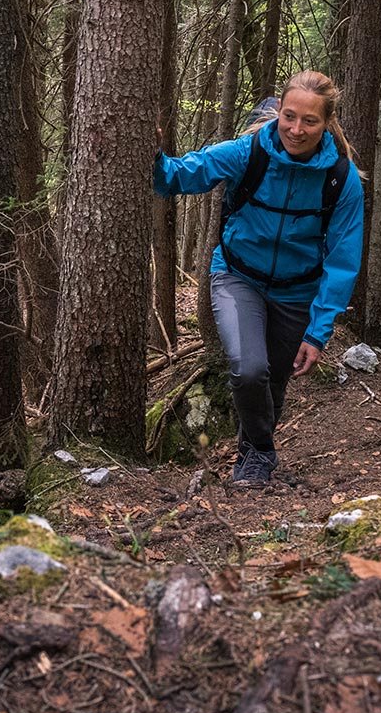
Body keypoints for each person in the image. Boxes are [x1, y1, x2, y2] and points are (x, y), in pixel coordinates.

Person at [153, 71, 365, 487]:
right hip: (237, 277)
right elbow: (179, 176)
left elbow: (342, 260)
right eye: (289, 116)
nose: (296, 129)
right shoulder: (248, 151)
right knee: (249, 369)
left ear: (327, 123)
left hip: (298, 291)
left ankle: (251, 455)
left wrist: (319, 331)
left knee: (275, 381)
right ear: (278, 113)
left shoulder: (341, 178)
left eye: (310, 121)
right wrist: (152, 152)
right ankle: (264, 452)